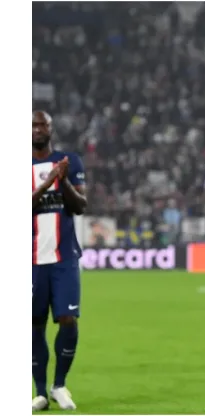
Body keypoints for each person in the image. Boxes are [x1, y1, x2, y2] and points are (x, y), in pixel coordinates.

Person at [32, 110, 88, 411]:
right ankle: (40, 391)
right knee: (33, 324)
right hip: (30, 259)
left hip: (64, 256)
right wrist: (49, 181)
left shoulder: (70, 161)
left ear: (51, 129)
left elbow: (80, 206)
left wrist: (63, 181)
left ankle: (59, 385)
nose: (38, 129)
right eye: (33, 125)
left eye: (43, 124)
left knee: (68, 319)